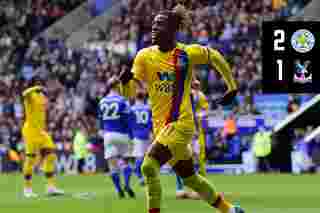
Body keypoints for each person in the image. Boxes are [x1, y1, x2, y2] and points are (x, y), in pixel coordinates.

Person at [118, 2, 244, 213]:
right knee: (191, 179)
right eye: (153, 26)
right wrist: (124, 82)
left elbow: (215, 56)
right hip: (161, 129)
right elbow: (129, 95)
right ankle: (229, 210)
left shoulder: (186, 53)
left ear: (172, 31)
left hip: (181, 125)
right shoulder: (144, 56)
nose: (153, 30)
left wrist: (232, 85)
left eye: (159, 26)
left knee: (148, 167)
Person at [21, 76, 64, 198]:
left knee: (51, 155)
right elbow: (23, 93)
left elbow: (50, 102)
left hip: (41, 131)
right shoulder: (29, 95)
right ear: (34, 83)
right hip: (30, 131)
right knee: (30, 159)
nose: (41, 84)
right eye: (38, 82)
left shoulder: (42, 96)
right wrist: (35, 88)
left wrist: (56, 91)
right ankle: (27, 189)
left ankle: (50, 187)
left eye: (41, 82)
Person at [98, 78, 135, 198]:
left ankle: (119, 190)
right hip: (122, 134)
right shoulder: (123, 100)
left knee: (112, 166)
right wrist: (131, 135)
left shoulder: (102, 101)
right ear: (117, 86)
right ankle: (127, 185)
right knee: (126, 162)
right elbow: (129, 119)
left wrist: (103, 131)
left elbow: (100, 120)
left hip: (108, 135)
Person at [176, 77, 209, 199]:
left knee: (193, 158)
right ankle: (185, 189)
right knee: (187, 158)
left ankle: (191, 189)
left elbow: (201, 112)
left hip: (189, 131)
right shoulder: (186, 96)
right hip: (185, 131)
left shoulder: (194, 96)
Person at [129, 89, 153, 186]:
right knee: (146, 158)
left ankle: (140, 177)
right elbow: (151, 123)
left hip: (136, 135)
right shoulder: (148, 108)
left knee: (139, 157)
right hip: (147, 134)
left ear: (135, 97)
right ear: (143, 97)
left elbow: (130, 123)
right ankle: (145, 176)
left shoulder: (131, 109)